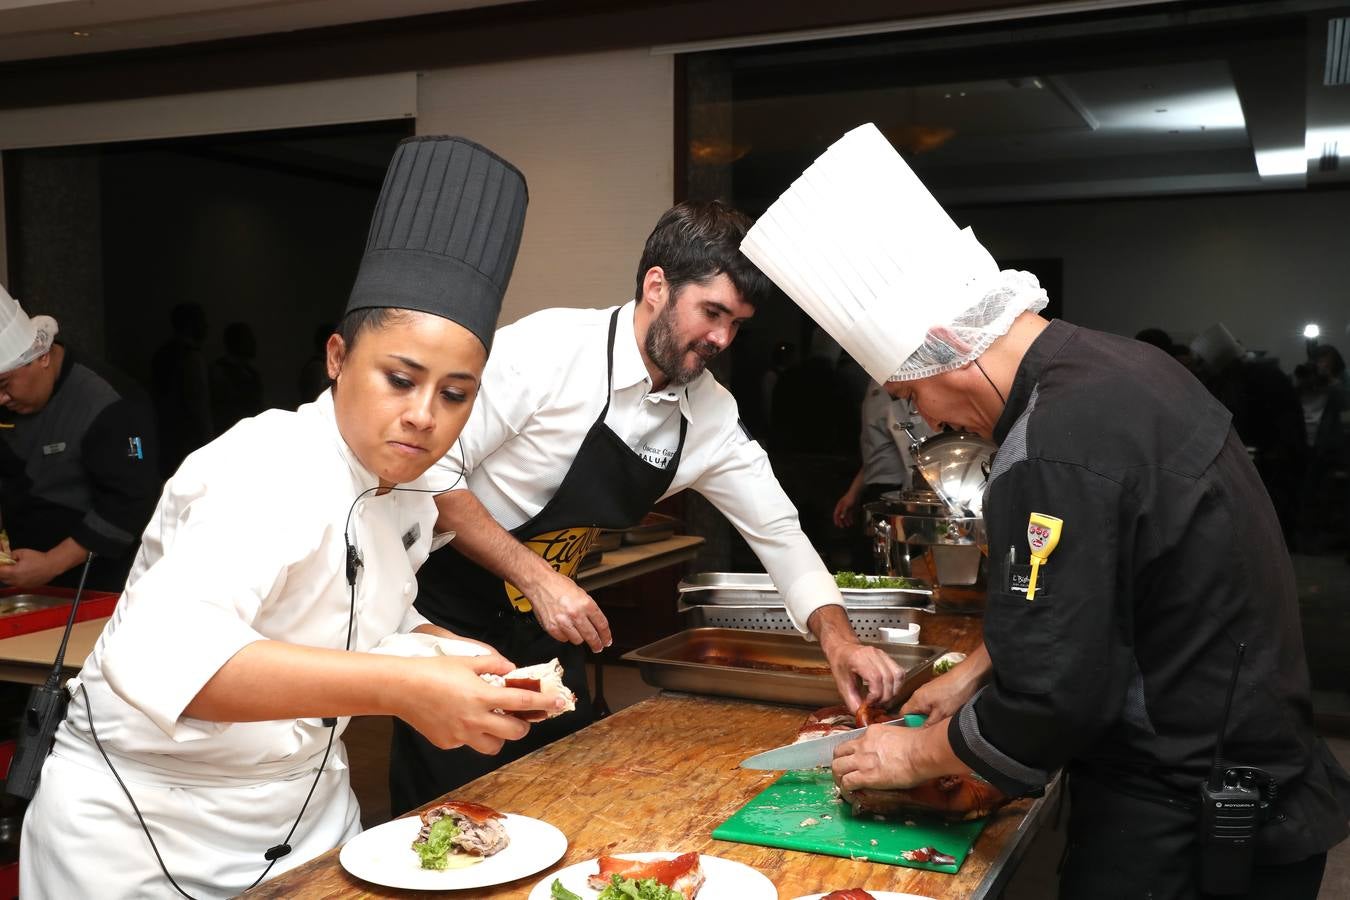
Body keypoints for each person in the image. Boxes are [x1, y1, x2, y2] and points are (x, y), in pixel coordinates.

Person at [741, 123, 1350, 899]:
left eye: (911, 395)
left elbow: (1057, 698)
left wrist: (914, 756)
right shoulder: (1122, 368)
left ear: (944, 348)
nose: (930, 419)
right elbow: (1117, 580)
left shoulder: (1050, 445)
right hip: (1253, 770)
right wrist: (970, 673)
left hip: (1183, 816)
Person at [20, 136, 562, 900]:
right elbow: (166, 661)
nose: (422, 417)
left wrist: (452, 657)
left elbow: (367, 609)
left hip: (306, 814)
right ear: (338, 356)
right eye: (400, 378)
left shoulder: (407, 484)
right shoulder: (265, 466)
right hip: (142, 829)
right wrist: (404, 691)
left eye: (454, 394)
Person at [389, 200, 906, 811]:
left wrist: (839, 641)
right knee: (447, 820)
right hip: (448, 622)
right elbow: (429, 473)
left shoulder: (710, 412)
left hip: (546, 632)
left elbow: (780, 534)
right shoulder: (548, 352)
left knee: (556, 804)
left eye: (736, 323)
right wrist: (539, 577)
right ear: (656, 285)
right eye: (711, 313)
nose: (721, 339)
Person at [0, 286, 159, 592]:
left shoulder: (111, 403)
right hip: (24, 583)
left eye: (5, 384)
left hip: (97, 586)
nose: (1, 399)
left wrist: (50, 563)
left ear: (42, 357)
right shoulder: (10, 402)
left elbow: (130, 503)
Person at [150, 301, 212, 477]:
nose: (207, 326)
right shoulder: (191, 357)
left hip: (166, 439)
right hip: (188, 442)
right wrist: (207, 441)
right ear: (191, 323)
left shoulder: (162, 355)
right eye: (202, 320)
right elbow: (198, 405)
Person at [209, 321, 265, 434]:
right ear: (237, 342)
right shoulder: (220, 372)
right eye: (248, 339)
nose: (254, 343)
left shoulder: (251, 373)